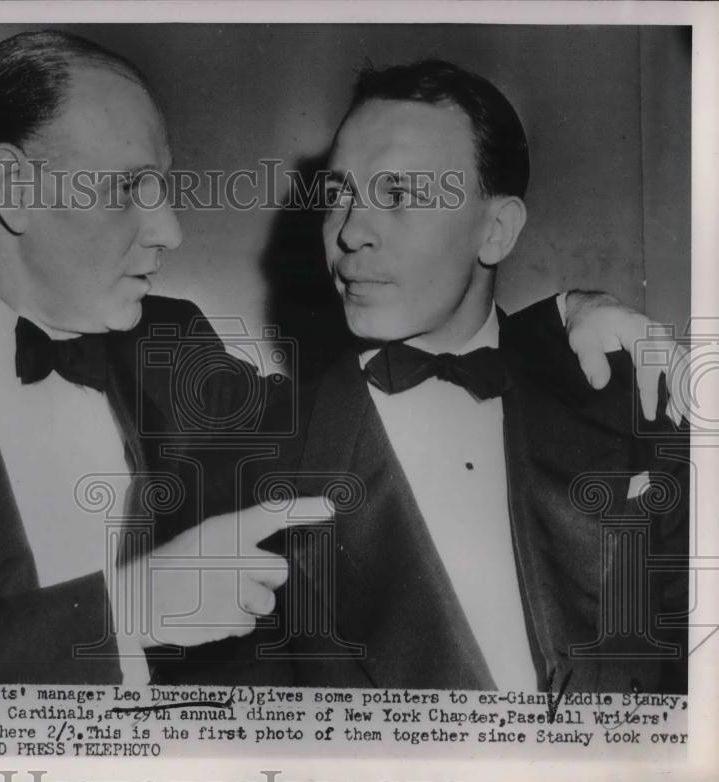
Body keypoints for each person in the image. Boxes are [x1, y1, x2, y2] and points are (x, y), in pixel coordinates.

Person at [0, 32, 678, 685]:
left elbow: (388, 401)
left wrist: (561, 318)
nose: (172, 228)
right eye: (133, 190)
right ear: (11, 187)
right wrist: (131, 611)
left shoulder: (170, 340)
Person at [165, 60, 687, 693]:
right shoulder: (248, 462)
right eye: (338, 195)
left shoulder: (624, 397)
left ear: (495, 230)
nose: (351, 232)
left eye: (400, 195)